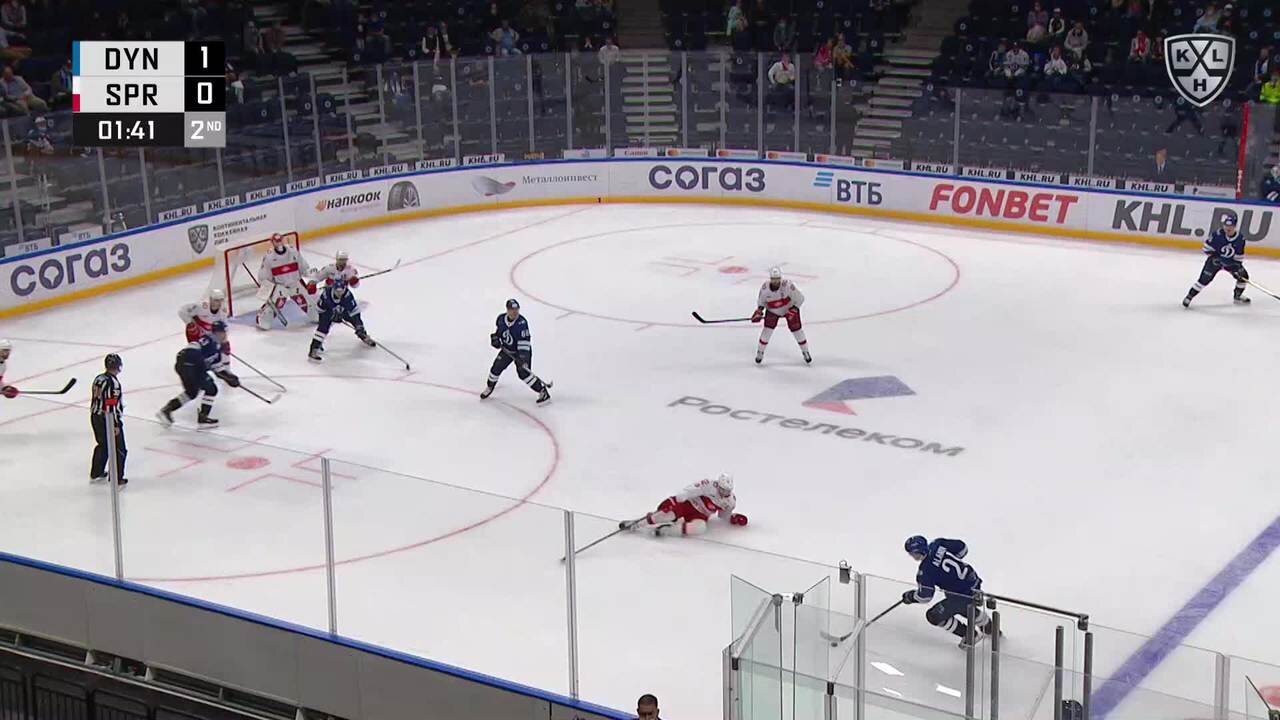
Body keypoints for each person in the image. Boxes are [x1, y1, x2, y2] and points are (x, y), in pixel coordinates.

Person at [901, 535, 991, 647]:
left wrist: (910, 596)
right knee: (958, 604)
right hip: (973, 581)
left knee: (934, 616)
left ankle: (970, 635)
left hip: (960, 594)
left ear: (917, 552)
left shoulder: (925, 571)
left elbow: (925, 597)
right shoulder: (937, 544)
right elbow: (962, 548)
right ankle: (990, 628)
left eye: (911, 553)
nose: (911, 556)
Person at [157, 322, 240, 426]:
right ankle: (203, 418)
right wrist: (200, 362)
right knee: (211, 389)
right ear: (217, 333)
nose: (225, 335)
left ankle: (166, 410)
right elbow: (190, 350)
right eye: (223, 332)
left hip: (187, 367)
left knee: (191, 392)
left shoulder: (217, 350)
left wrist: (230, 378)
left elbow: (218, 368)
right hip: (189, 365)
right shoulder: (208, 340)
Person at [624, 474, 747, 536]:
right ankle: (636, 524)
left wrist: (733, 518)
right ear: (718, 485)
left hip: (700, 515)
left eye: (727, 491)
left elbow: (723, 515)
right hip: (688, 504)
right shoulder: (709, 484)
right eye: (722, 489)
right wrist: (676, 500)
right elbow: (689, 491)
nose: (724, 493)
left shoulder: (730, 501)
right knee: (668, 515)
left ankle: (667, 531)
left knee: (700, 528)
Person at [481, 299, 550, 404]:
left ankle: (542, 391)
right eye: (512, 310)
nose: (515, 312)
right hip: (507, 350)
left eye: (517, 309)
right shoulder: (500, 319)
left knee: (524, 373)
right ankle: (490, 386)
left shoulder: (522, 323)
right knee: (496, 368)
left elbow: (524, 342)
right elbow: (499, 333)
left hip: (521, 352)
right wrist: (495, 339)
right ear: (507, 310)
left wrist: (523, 358)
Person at [1183, 212, 1252, 307]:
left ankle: (1237, 296)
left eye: (1230, 226)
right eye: (1226, 226)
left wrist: (1237, 268)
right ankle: (1189, 296)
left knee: (1244, 276)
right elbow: (1206, 248)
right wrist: (1215, 258)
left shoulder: (1240, 239)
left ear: (1235, 226)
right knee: (1204, 280)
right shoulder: (1217, 235)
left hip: (1230, 263)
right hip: (1214, 262)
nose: (1228, 228)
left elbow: (1239, 257)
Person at [257, 233, 318, 329]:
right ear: (272, 242)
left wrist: (312, 278)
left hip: (295, 284)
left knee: (316, 316)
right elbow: (263, 277)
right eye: (276, 241)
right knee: (265, 324)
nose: (279, 243)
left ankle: (315, 313)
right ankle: (262, 315)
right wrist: (266, 290)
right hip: (280, 287)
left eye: (280, 240)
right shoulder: (269, 257)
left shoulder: (293, 251)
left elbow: (304, 268)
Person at [752, 266, 810, 364]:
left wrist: (793, 310)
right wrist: (759, 312)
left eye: (777, 279)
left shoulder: (788, 285)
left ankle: (805, 351)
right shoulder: (765, 288)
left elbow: (800, 298)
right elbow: (761, 303)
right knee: (767, 330)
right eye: (773, 279)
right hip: (773, 311)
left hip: (789, 309)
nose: (776, 281)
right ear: (770, 279)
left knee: (797, 330)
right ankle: (760, 352)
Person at [308, 279, 376, 361]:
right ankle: (314, 348)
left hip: (343, 311)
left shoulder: (348, 295)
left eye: (341, 291)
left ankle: (363, 334)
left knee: (354, 320)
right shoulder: (326, 295)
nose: (339, 294)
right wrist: (331, 316)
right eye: (337, 291)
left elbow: (354, 312)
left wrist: (359, 326)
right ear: (333, 289)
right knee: (323, 328)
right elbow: (320, 309)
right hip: (327, 312)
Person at [90, 354, 127, 487]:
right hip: (107, 419)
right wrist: (115, 424)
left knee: (103, 444)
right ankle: (117, 478)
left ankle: (96, 471)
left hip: (95, 416)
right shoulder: (113, 383)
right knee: (120, 449)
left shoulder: (98, 378)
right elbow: (111, 405)